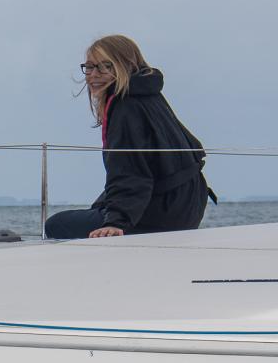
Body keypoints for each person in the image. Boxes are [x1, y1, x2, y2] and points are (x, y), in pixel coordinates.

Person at [45, 34, 213, 239]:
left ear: (124, 66)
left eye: (104, 66)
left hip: (158, 215)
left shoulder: (126, 107)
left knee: (56, 225)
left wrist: (116, 221)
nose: (93, 75)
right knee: (98, 206)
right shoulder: (148, 94)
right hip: (186, 208)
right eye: (89, 67)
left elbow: (131, 170)